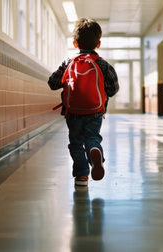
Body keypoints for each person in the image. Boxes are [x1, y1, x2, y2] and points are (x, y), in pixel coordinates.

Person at [48, 18, 119, 187]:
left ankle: (81, 176)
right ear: (98, 44)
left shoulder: (68, 62)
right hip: (95, 111)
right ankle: (95, 151)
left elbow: (53, 83)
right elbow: (113, 89)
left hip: (73, 112)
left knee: (76, 143)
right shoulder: (102, 64)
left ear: (75, 43)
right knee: (92, 137)